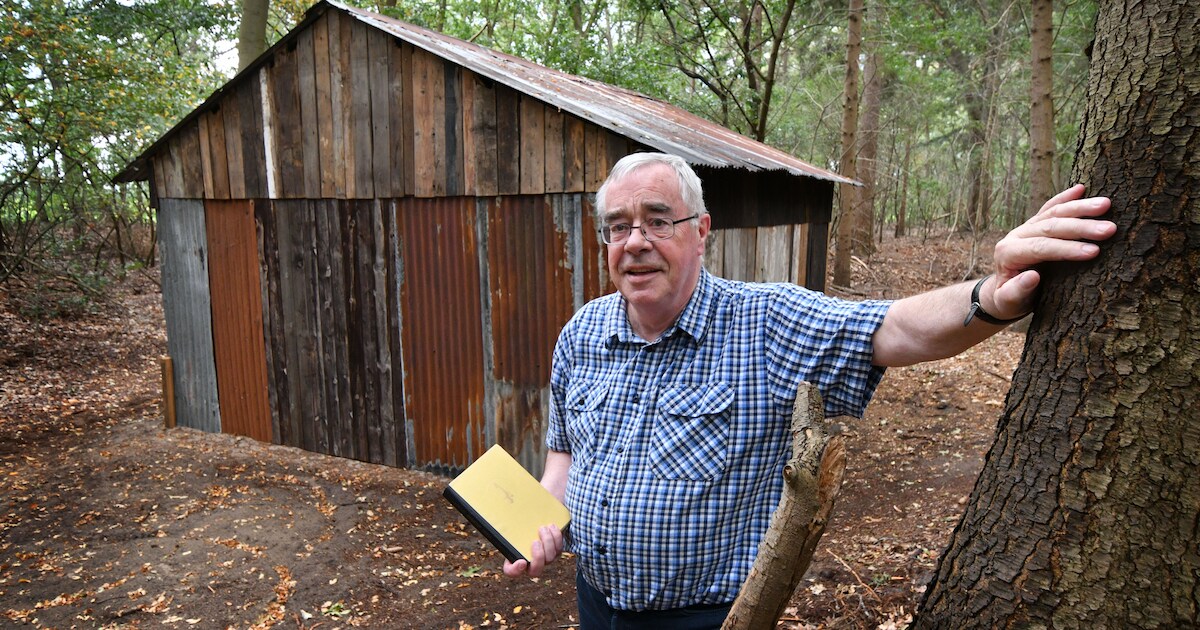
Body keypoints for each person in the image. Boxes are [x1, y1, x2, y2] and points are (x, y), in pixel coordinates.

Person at [501, 152, 1116, 628]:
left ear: (701, 230)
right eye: (618, 227)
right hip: (597, 604)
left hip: (711, 618)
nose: (635, 242)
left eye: (658, 222)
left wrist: (991, 295)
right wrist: (537, 527)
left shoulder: (765, 324)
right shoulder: (583, 333)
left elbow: (894, 328)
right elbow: (565, 458)